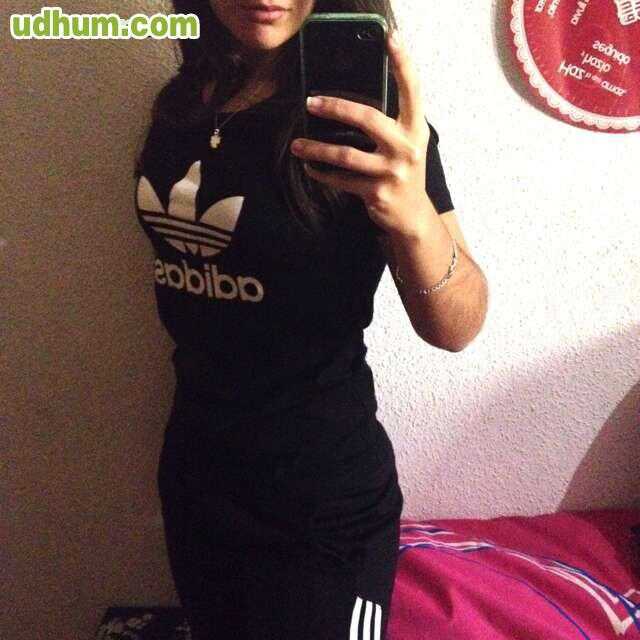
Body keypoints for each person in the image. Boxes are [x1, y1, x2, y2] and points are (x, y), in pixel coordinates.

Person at [132, 1, 488, 638]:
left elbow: (457, 325)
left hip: (320, 508)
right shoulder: (183, 104)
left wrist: (413, 217)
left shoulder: (369, 127)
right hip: (196, 481)